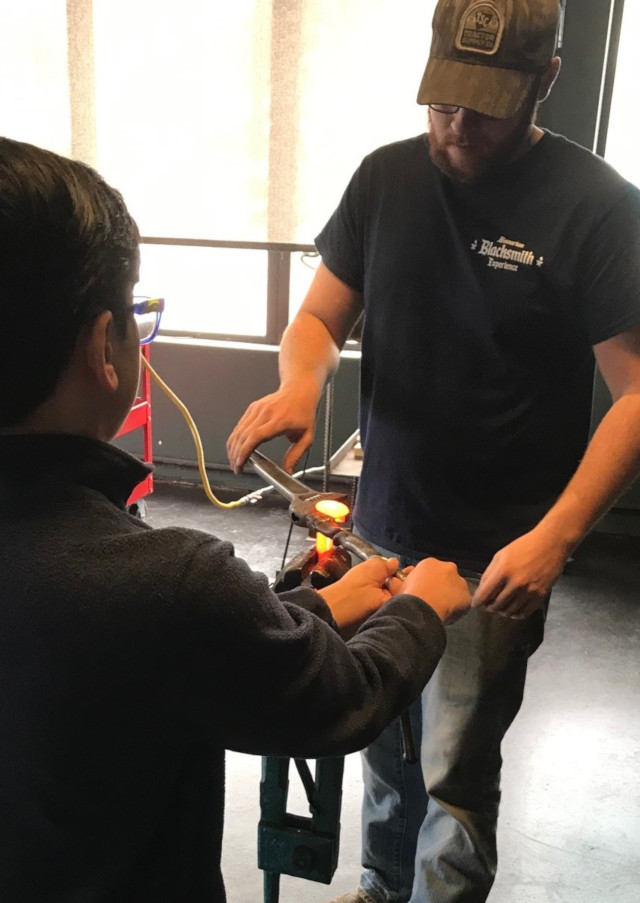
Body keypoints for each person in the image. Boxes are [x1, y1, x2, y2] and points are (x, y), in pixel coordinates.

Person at [227, 1, 640, 901]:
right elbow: (319, 317)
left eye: (485, 106)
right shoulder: (385, 180)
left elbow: (638, 393)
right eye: (444, 99)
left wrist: (557, 537)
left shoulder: (600, 209)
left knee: (454, 774)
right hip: (382, 535)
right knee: (382, 733)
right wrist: (302, 381)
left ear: (548, 78)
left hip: (499, 558)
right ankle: (380, 887)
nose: (456, 126)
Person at [0, 137, 473, 903]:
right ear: (103, 346)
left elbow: (160, 654)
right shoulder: (169, 581)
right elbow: (337, 694)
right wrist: (419, 609)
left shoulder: (142, 593)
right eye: (130, 312)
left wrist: (315, 605)